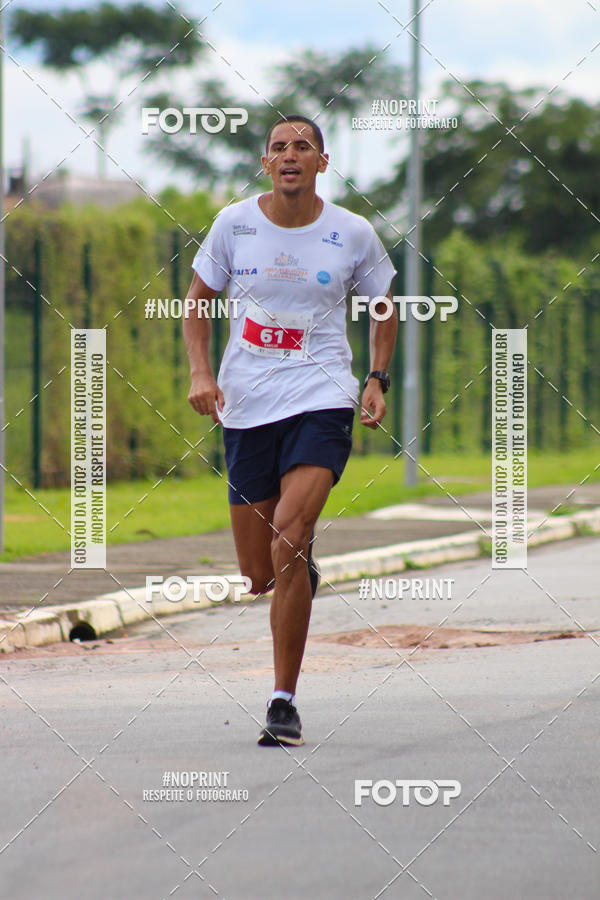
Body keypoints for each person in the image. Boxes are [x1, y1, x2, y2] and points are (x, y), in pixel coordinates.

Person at [183, 114, 397, 746]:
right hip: (247, 402)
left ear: (322, 162)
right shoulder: (234, 225)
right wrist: (201, 372)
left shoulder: (352, 232)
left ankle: (283, 702)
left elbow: (383, 307)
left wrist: (376, 378)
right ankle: (297, 569)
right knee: (261, 573)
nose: (290, 155)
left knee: (290, 536)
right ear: (266, 163)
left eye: (303, 146)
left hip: (321, 397)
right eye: (279, 147)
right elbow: (196, 303)